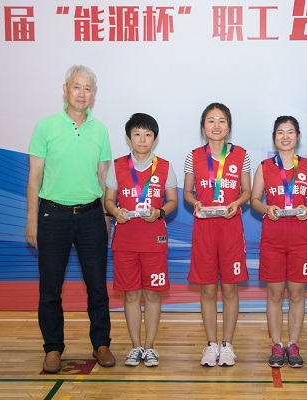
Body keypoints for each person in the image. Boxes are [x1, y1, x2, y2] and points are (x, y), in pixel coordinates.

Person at [26, 65, 115, 373]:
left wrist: (106, 216)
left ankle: (101, 343)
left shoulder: (100, 130)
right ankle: (53, 348)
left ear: (94, 94)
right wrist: (32, 220)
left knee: (97, 287)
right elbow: (35, 176)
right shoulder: (45, 127)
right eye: (76, 87)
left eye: (88, 89)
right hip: (53, 216)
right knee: (50, 289)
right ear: (65, 90)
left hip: (91, 217)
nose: (82, 94)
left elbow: (103, 177)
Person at [104, 113, 178, 367]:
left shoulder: (165, 167)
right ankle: (135, 347)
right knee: (131, 295)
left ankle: (150, 347)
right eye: (137, 134)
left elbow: (173, 201)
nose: (142, 139)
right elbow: (108, 200)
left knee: (153, 295)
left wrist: (160, 212)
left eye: (148, 134)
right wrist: (115, 212)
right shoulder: (117, 166)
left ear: (154, 138)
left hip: (154, 241)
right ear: (129, 138)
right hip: (125, 241)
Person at [250, 116, 307, 368]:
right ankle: (277, 345)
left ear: (298, 136)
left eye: (290, 132)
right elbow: (254, 200)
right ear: (274, 137)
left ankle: (293, 344)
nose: (285, 137)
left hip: (300, 239)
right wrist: (266, 208)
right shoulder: (264, 167)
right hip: (273, 239)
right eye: (280, 132)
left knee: (297, 294)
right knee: (274, 293)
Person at [183, 102, 251, 367]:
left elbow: (247, 191)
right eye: (210, 120)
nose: (216, 126)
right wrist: (196, 203)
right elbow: (187, 192)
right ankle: (211, 345)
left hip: (231, 226)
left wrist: (238, 202)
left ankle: (227, 345)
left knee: (231, 288)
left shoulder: (242, 154)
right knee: (208, 289)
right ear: (203, 127)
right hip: (204, 228)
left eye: (221, 120)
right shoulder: (193, 156)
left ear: (229, 126)